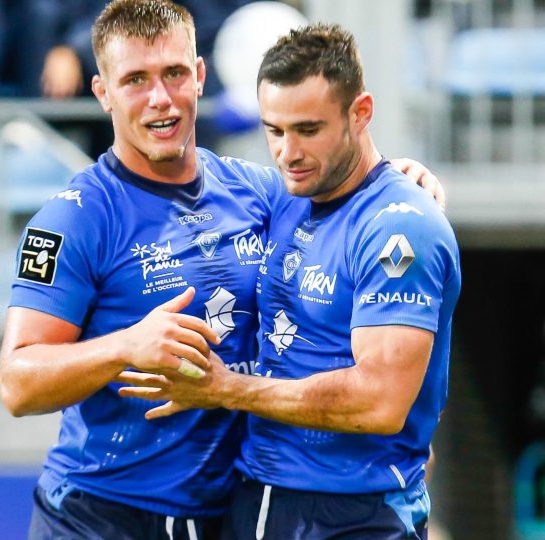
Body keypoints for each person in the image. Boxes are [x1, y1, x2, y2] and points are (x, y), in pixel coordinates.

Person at [0, 2, 441, 539]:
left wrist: (399, 182)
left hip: (226, 512)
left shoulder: (260, 192)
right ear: (102, 93)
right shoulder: (73, 218)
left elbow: (345, 188)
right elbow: (18, 383)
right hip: (99, 514)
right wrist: (123, 347)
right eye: (135, 80)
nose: (160, 99)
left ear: (201, 76)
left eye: (174, 74)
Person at [119, 23, 460, 539]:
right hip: (263, 497)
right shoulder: (287, 198)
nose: (287, 153)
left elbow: (380, 402)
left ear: (360, 113)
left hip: (352, 513)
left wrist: (227, 389)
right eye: (274, 131)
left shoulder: (398, 226)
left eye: (308, 129)